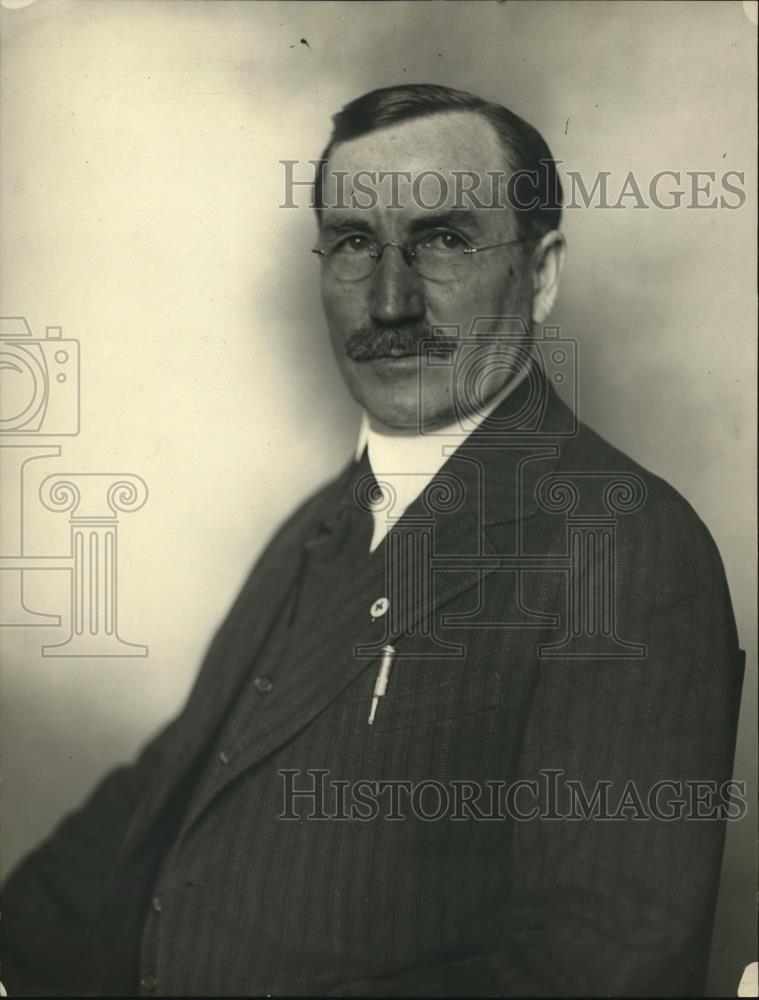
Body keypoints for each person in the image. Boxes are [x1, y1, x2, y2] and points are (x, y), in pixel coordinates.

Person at [0, 84, 744, 998]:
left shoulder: (624, 544)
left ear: (542, 274)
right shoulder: (321, 521)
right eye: (354, 243)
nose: (388, 301)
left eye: (443, 240)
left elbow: (603, 965)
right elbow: (162, 801)